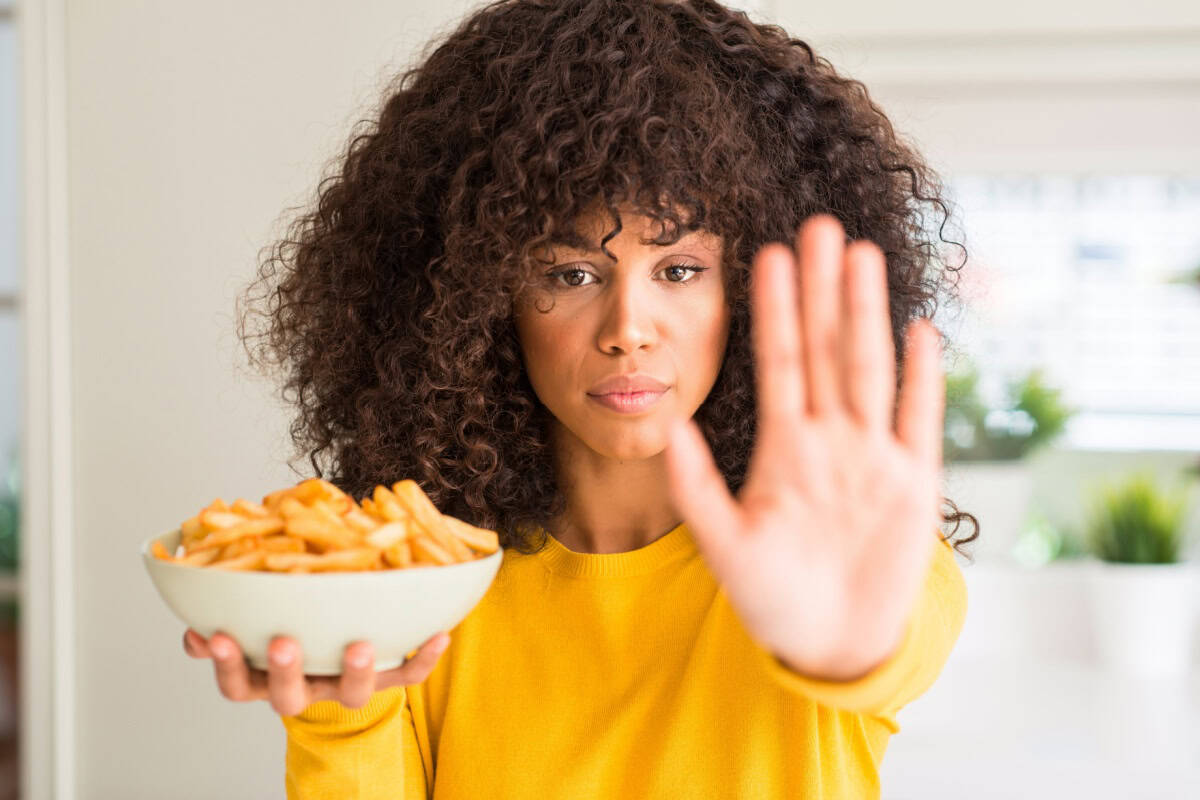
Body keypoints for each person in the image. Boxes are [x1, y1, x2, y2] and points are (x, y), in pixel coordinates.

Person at [183, 0, 979, 796]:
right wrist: (337, 708)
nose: (628, 329)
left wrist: (840, 645)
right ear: (475, 299)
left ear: (743, 288)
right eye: (571, 274)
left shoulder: (842, 553)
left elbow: (895, 630)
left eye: (678, 271)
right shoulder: (412, 579)